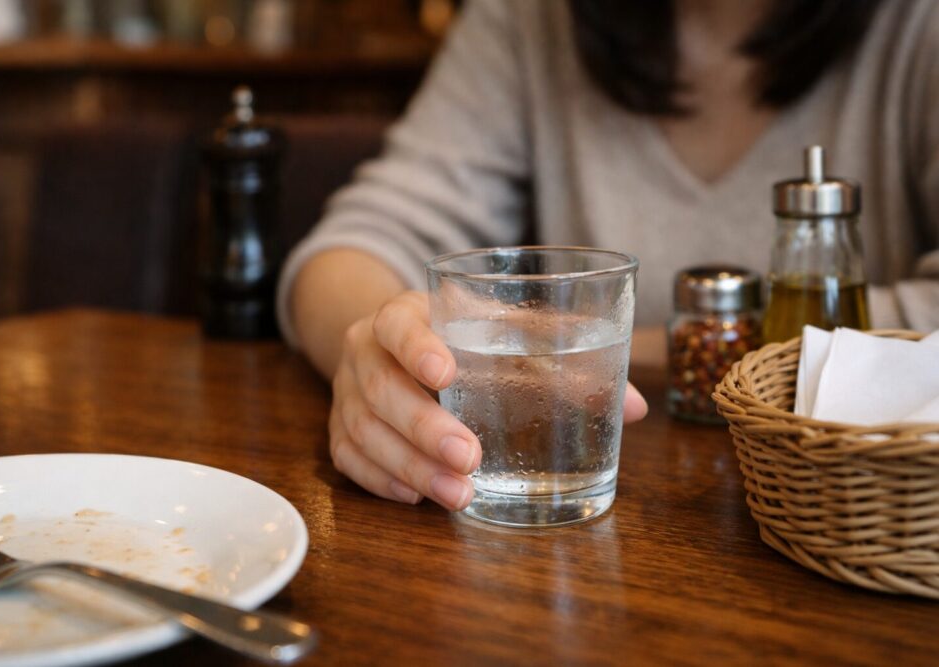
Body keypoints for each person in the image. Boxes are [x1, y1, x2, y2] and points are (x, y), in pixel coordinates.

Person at [276, 0, 939, 511]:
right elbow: (350, 250)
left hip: (857, 509)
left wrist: (598, 346)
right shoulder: (531, 17)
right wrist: (375, 352)